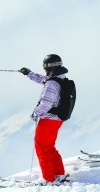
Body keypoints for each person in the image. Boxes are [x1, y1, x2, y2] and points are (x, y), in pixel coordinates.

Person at [20, 54, 68, 183]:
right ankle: (58, 174)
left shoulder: (52, 83)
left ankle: (49, 179)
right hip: (56, 119)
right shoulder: (59, 78)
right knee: (49, 147)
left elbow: (46, 103)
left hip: (48, 120)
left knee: (42, 148)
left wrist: (36, 113)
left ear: (48, 67)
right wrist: (29, 73)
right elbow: (44, 80)